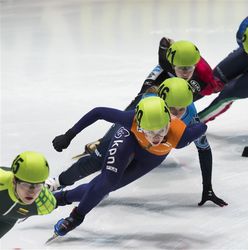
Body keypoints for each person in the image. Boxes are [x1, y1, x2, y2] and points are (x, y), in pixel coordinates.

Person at [47, 78, 227, 208]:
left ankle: (72, 195)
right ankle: (59, 182)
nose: (177, 114)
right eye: (172, 109)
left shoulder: (190, 117)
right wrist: (69, 134)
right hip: (130, 134)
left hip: (149, 152)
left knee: (107, 184)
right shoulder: (148, 103)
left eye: (182, 109)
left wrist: (208, 187)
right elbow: (103, 113)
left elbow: (203, 147)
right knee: (96, 160)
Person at [50, 96, 216, 236]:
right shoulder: (131, 119)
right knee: (107, 182)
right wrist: (69, 135)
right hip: (129, 140)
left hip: (151, 157)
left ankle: (60, 198)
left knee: (107, 187)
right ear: (140, 124)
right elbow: (98, 112)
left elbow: (202, 126)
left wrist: (197, 121)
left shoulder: (180, 136)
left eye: (162, 130)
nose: (156, 137)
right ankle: (76, 218)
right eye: (150, 131)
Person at [0, 151, 56, 238]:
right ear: (14, 181)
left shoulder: (45, 204)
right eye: (26, 185)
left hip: (7, 221)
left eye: (38, 185)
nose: (32, 192)